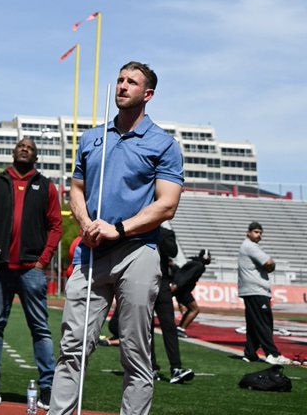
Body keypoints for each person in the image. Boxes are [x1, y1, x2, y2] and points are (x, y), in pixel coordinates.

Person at [46, 61, 184, 415]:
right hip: (92, 253)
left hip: (137, 251)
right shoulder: (93, 138)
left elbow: (167, 204)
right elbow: (77, 188)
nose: (122, 86)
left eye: (131, 82)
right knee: (73, 346)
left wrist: (118, 228)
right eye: (120, 79)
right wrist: (86, 223)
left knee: (134, 350)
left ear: (147, 94)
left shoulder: (163, 144)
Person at [0, 137, 62, 408]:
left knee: (40, 329)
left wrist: (42, 261)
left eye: (30, 148)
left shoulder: (46, 186)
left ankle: (48, 389)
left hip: (31, 269)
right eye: (21, 146)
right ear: (13, 151)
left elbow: (56, 226)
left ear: (36, 157)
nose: (25, 149)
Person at [237, 221, 287, 365]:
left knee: (254, 323)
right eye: (255, 232)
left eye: (260, 232)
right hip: (257, 290)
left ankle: (250, 353)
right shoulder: (251, 246)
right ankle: (272, 354)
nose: (258, 235)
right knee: (264, 323)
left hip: (251, 290)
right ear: (248, 233)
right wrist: (272, 265)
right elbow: (268, 263)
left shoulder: (247, 246)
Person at [150, 223, 194, 384]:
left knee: (169, 325)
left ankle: (176, 367)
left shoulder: (165, 233)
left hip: (162, 283)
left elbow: (173, 251)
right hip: (142, 282)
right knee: (146, 327)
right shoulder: (137, 229)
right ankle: (150, 367)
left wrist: (158, 232)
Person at [170, 247, 210, 333]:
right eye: (209, 256)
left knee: (191, 309)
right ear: (205, 256)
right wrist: (177, 285)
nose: (210, 258)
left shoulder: (196, 263)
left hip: (181, 288)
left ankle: (180, 327)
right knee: (195, 309)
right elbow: (186, 276)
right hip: (182, 289)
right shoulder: (199, 265)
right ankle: (181, 329)